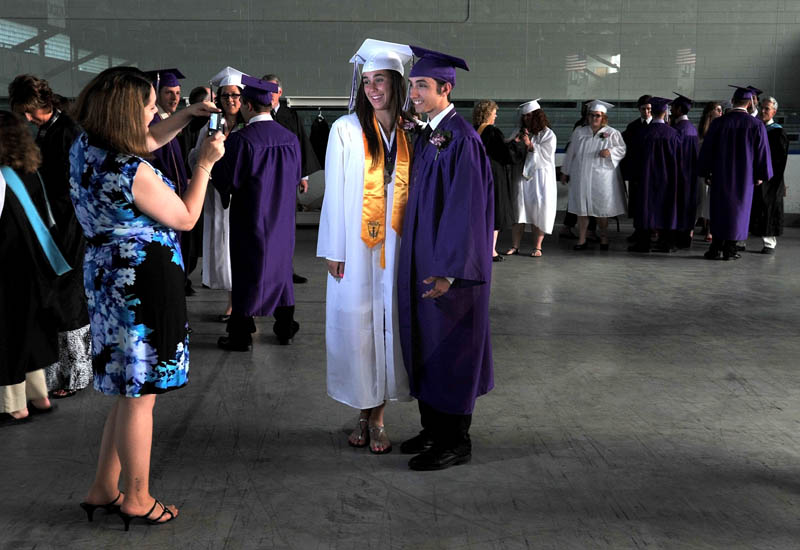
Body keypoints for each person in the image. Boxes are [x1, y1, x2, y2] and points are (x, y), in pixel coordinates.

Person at [69, 67, 224, 528]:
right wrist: (204, 164)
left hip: (105, 275)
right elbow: (186, 217)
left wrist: (190, 114)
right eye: (150, 106)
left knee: (125, 387)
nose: (157, 112)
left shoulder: (87, 148)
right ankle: (136, 497)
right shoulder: (130, 170)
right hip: (142, 282)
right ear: (125, 114)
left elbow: (149, 138)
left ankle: (103, 487)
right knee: (141, 396)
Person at [397, 46, 494, 471]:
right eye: (413, 85)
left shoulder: (463, 140)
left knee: (451, 346)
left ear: (445, 88)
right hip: (423, 260)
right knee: (425, 342)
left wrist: (449, 273)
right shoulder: (432, 134)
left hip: (449, 270)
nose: (414, 93)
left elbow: (466, 211)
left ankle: (456, 441)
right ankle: (433, 429)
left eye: (422, 86)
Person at [317, 39, 414, 455]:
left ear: (396, 82)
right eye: (368, 81)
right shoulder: (345, 129)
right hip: (356, 250)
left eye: (381, 80)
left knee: (391, 330)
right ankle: (364, 411)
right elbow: (334, 196)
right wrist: (333, 249)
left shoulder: (413, 131)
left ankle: (377, 417)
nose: (373, 88)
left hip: (400, 248)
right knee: (358, 331)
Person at [8, 74, 92, 399]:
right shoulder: (50, 129)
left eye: (29, 112)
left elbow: (74, 186)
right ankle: (60, 371)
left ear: (43, 105)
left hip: (69, 224)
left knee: (68, 295)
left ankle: (75, 374)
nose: (27, 119)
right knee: (56, 295)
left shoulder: (69, 133)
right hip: (53, 222)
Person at [212, 75, 302, 351]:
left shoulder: (242, 140)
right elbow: (297, 177)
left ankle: (240, 334)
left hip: (252, 219)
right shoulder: (290, 139)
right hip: (283, 220)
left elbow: (226, 179)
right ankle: (285, 327)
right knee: (282, 271)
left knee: (247, 273)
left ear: (248, 105)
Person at [0, 110, 67, 425]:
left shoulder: (1, 175)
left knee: (8, 334)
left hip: (8, 270)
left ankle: (14, 405)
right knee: (32, 330)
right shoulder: (29, 171)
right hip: (38, 268)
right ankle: (38, 396)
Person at [189, 67, 247, 321]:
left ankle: (240, 302)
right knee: (224, 248)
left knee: (242, 248)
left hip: (244, 195)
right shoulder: (213, 126)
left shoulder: (249, 124)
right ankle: (233, 299)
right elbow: (194, 158)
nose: (231, 101)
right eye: (226, 97)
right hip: (218, 194)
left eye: (236, 96)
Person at [698, 85, 772, 260]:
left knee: (719, 210)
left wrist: (706, 172)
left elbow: (707, 150)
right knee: (739, 211)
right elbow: (762, 152)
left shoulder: (718, 123)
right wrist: (761, 175)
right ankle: (730, 250)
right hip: (744, 177)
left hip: (720, 174)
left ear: (732, 101)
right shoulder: (756, 125)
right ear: (749, 104)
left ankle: (715, 249)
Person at [143, 68, 199, 296]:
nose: (174, 98)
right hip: (163, 207)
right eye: (168, 93)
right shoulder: (155, 128)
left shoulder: (170, 127)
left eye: (177, 92)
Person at [263, 73, 321, 285]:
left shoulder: (290, 116)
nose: (269, 95)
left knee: (285, 227)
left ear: (280, 92)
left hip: (286, 179)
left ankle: (286, 269)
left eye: (273, 91)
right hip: (263, 180)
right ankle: (266, 269)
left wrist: (303, 176)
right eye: (265, 90)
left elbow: (301, 146)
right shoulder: (257, 115)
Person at [560, 100, 627, 250]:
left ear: (603, 117)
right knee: (581, 209)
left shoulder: (611, 133)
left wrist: (610, 152)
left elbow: (622, 149)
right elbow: (571, 153)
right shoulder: (579, 132)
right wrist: (565, 171)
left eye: (597, 116)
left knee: (600, 210)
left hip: (602, 178)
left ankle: (604, 237)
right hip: (581, 176)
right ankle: (582, 240)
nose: (594, 118)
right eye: (591, 115)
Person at [471, 99, 525, 260]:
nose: (496, 116)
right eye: (494, 113)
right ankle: (491, 250)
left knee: (480, 211)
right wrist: (517, 145)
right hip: (492, 174)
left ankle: (478, 248)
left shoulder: (473, 130)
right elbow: (505, 155)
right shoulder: (492, 131)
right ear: (488, 114)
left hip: (476, 173)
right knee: (495, 210)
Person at [627, 97, 681, 253]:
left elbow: (634, 158)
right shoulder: (673, 134)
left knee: (645, 208)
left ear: (653, 111)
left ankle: (643, 243)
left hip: (646, 178)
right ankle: (666, 243)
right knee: (666, 208)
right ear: (665, 112)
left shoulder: (642, 133)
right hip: (668, 179)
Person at [506, 99, 557, 257]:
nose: (526, 119)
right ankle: (515, 246)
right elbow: (509, 146)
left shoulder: (547, 134)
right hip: (520, 177)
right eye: (524, 117)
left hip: (539, 179)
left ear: (537, 116)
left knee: (538, 210)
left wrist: (530, 145)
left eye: (529, 116)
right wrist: (514, 143)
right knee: (518, 210)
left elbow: (547, 157)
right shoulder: (519, 131)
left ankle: (537, 246)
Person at [750, 95, 789, 254]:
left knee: (769, 208)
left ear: (774, 112)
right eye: (762, 107)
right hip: (753, 175)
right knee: (751, 207)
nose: (763, 111)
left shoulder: (777, 132)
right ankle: (740, 240)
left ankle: (769, 243)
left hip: (771, 178)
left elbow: (779, 161)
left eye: (767, 109)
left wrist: (765, 175)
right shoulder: (756, 128)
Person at [670, 93, 700, 248]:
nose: (670, 110)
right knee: (687, 205)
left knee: (678, 205)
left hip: (679, 174)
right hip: (690, 174)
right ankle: (685, 237)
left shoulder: (678, 130)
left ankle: (677, 239)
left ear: (679, 109)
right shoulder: (691, 129)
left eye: (673, 107)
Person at [621, 94, 652, 243]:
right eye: (643, 109)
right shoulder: (633, 127)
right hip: (636, 172)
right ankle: (638, 229)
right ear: (639, 109)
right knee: (636, 202)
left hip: (652, 173)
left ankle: (651, 230)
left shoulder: (658, 126)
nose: (646, 112)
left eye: (649, 109)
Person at [696, 101, 723, 241]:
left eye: (721, 109)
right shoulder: (702, 129)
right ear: (710, 112)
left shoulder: (721, 126)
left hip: (714, 168)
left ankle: (710, 229)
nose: (720, 112)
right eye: (717, 110)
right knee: (702, 198)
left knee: (711, 199)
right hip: (702, 167)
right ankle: (704, 225)